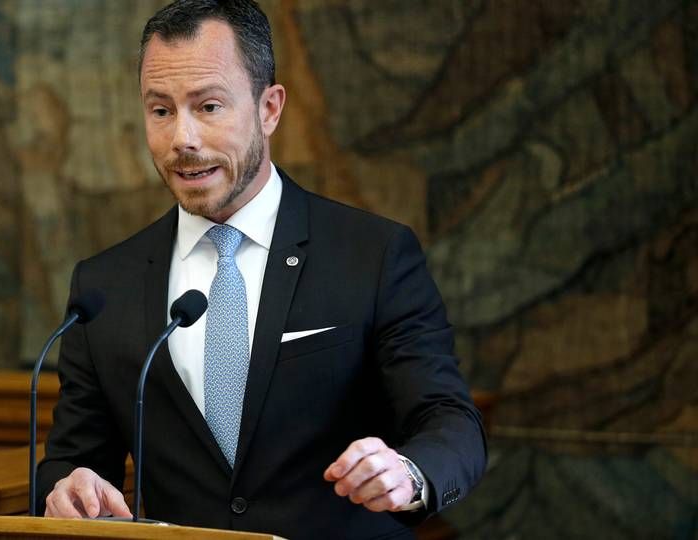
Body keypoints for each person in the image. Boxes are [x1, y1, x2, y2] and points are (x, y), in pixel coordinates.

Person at [36, 1, 486, 538]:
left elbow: (449, 420)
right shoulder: (104, 285)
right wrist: (67, 488)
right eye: (160, 111)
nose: (183, 139)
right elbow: (72, 460)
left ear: (269, 108)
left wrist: (409, 474)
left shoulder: (373, 254)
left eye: (208, 107)